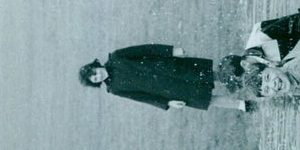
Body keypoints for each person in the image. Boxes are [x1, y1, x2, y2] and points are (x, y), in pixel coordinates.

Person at [79, 44, 246, 111]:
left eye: (95, 72)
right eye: (94, 79)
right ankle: (242, 105)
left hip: (171, 69)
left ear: (96, 65)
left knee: (212, 75)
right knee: (207, 99)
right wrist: (167, 103)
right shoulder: (114, 88)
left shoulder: (117, 57)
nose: (98, 76)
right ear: (96, 83)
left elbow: (145, 50)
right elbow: (142, 97)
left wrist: (171, 51)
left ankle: (243, 78)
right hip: (169, 90)